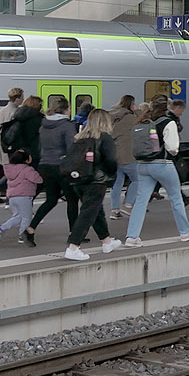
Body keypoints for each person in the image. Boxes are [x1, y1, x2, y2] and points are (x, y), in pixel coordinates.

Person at [123, 95, 189, 246]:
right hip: (162, 164)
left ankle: (131, 236)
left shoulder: (144, 120)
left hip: (142, 165)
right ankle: (185, 232)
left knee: (140, 201)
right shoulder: (168, 122)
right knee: (176, 197)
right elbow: (172, 148)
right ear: (167, 108)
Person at [63, 108, 123, 261]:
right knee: (88, 213)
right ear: (105, 121)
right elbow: (111, 161)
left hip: (78, 180)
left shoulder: (80, 137)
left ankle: (107, 241)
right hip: (96, 181)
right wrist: (111, 174)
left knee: (96, 211)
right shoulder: (105, 138)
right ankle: (73, 247)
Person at [26, 95, 78, 243]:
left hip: (45, 165)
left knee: (51, 200)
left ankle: (31, 228)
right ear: (66, 110)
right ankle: (74, 233)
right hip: (61, 167)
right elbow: (71, 148)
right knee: (72, 200)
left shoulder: (44, 125)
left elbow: (39, 147)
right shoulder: (67, 125)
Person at [0, 148, 41, 246]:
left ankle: (2, 228)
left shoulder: (10, 170)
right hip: (24, 196)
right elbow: (38, 179)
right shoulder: (28, 169)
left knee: (18, 216)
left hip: (12, 197)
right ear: (26, 160)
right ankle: (22, 235)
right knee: (27, 217)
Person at [0, 86, 24, 205]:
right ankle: (1, 194)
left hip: (1, 147)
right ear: (18, 98)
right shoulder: (16, 112)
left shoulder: (1, 111)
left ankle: (8, 199)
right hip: (11, 148)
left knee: (11, 175)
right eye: (22, 97)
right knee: (14, 176)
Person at [107, 95, 139, 219]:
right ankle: (128, 204)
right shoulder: (130, 118)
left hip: (114, 155)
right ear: (131, 104)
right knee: (137, 180)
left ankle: (114, 210)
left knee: (116, 184)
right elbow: (145, 120)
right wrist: (137, 110)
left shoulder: (111, 116)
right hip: (127, 155)